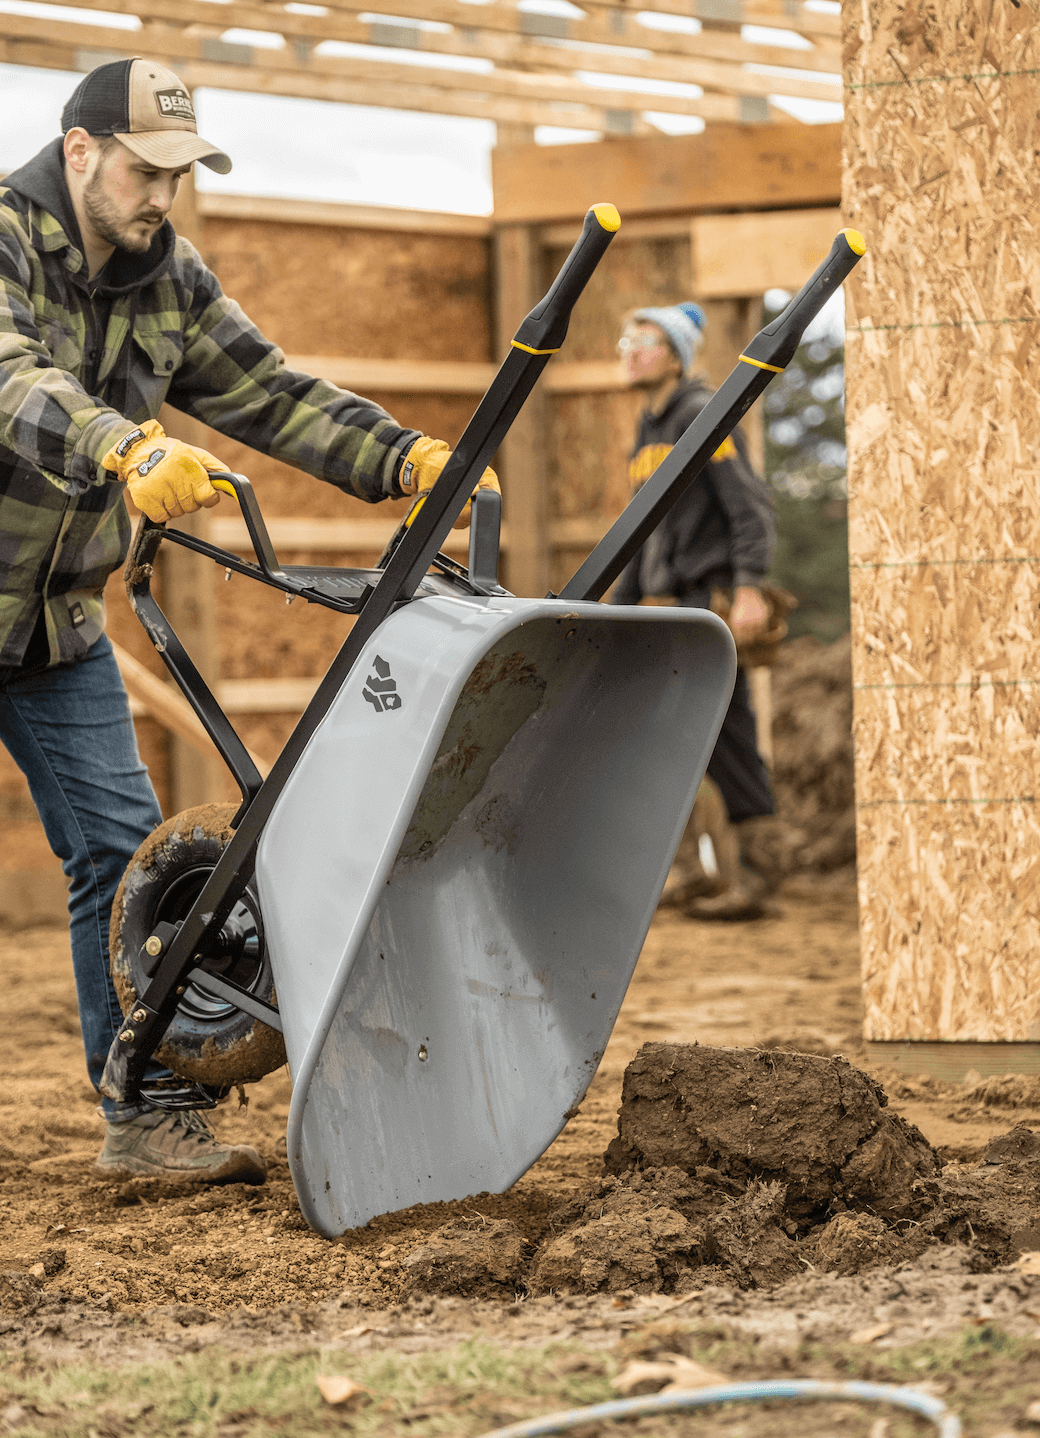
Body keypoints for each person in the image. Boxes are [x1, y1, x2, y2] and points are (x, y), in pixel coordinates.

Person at [0, 58, 498, 1183]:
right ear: (80, 152)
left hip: (51, 628)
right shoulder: (3, 240)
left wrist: (398, 458)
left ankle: (146, 1112)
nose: (161, 197)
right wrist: (124, 444)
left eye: (179, 174)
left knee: (124, 856)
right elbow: (11, 377)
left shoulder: (164, 275)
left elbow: (266, 391)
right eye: (144, 171)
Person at [611, 301, 785, 919]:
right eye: (627, 337)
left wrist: (749, 586)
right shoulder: (648, 430)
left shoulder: (703, 415)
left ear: (677, 355)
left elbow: (750, 506)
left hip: (705, 603)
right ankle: (689, 869)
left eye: (649, 339)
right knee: (663, 737)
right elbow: (639, 533)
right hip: (667, 608)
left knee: (728, 733)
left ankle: (756, 877)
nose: (632, 348)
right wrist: (615, 609)